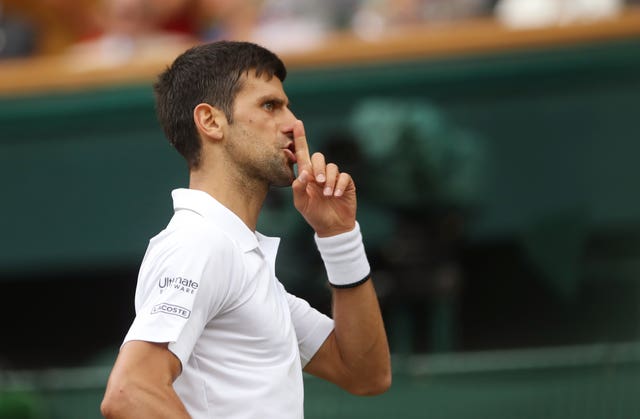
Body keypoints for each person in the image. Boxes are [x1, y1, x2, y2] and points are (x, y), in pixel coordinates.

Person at [100, 40, 391, 418]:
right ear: (210, 121)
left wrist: (339, 238)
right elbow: (129, 392)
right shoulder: (200, 243)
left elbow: (366, 373)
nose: (292, 124)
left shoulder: (238, 258)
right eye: (270, 105)